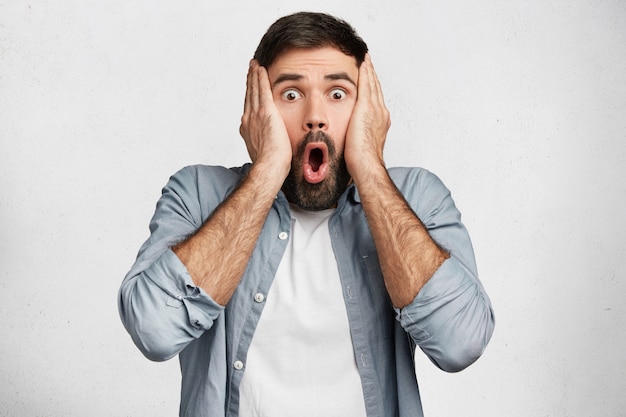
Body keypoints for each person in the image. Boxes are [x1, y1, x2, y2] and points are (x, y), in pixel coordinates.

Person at [118, 11, 495, 417]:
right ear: (258, 107)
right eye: (291, 95)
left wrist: (368, 164)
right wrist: (266, 171)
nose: (315, 116)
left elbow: (460, 344)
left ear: (368, 106)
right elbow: (153, 330)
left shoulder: (417, 198)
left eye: (338, 94)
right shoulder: (196, 194)